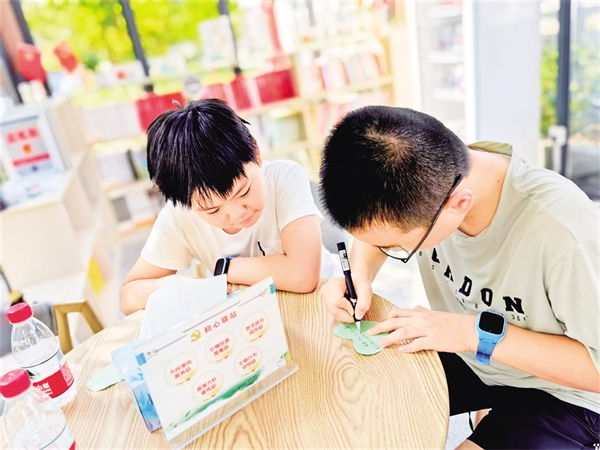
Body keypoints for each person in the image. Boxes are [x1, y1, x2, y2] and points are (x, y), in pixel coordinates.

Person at [319, 106, 600, 449]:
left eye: (396, 247)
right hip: (474, 355)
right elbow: (376, 229)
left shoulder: (566, 233)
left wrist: (473, 333)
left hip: (567, 392)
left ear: (458, 203)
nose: (386, 249)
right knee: (353, 396)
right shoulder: (429, 172)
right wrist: (359, 275)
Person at [120, 99, 328, 315]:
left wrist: (225, 269)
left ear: (256, 153)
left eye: (244, 192)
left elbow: (303, 276)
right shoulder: (179, 216)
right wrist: (181, 287)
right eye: (213, 210)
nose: (237, 213)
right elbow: (128, 297)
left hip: (321, 303)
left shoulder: (284, 177)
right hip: (255, 316)